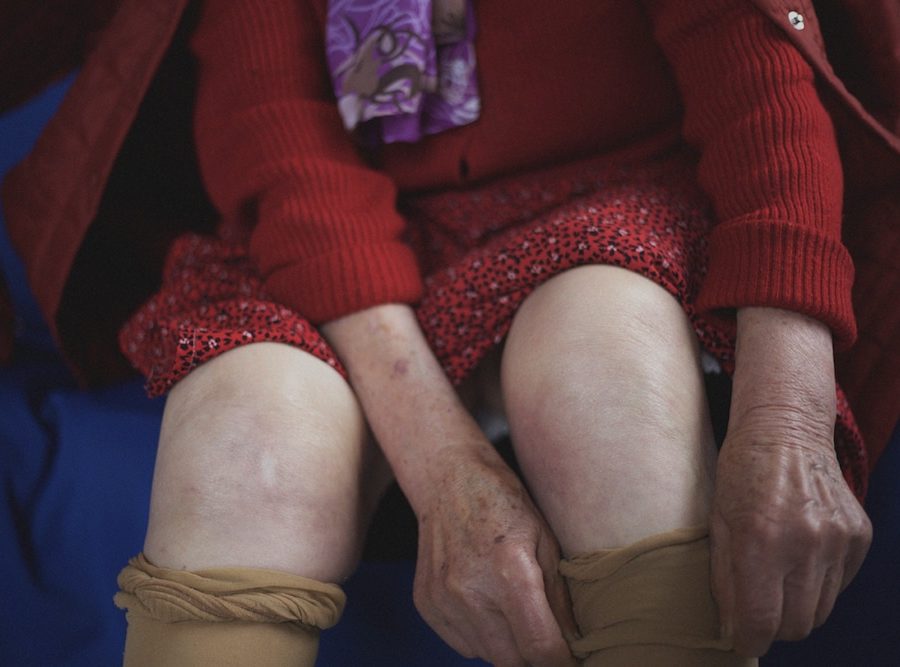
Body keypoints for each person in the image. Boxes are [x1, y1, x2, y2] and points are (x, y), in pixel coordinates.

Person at [2, 1, 894, 665]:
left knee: (607, 374)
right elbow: (286, 150)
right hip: (338, 242)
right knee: (242, 440)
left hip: (603, 192)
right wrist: (442, 470)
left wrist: (787, 418)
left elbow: (757, 89)